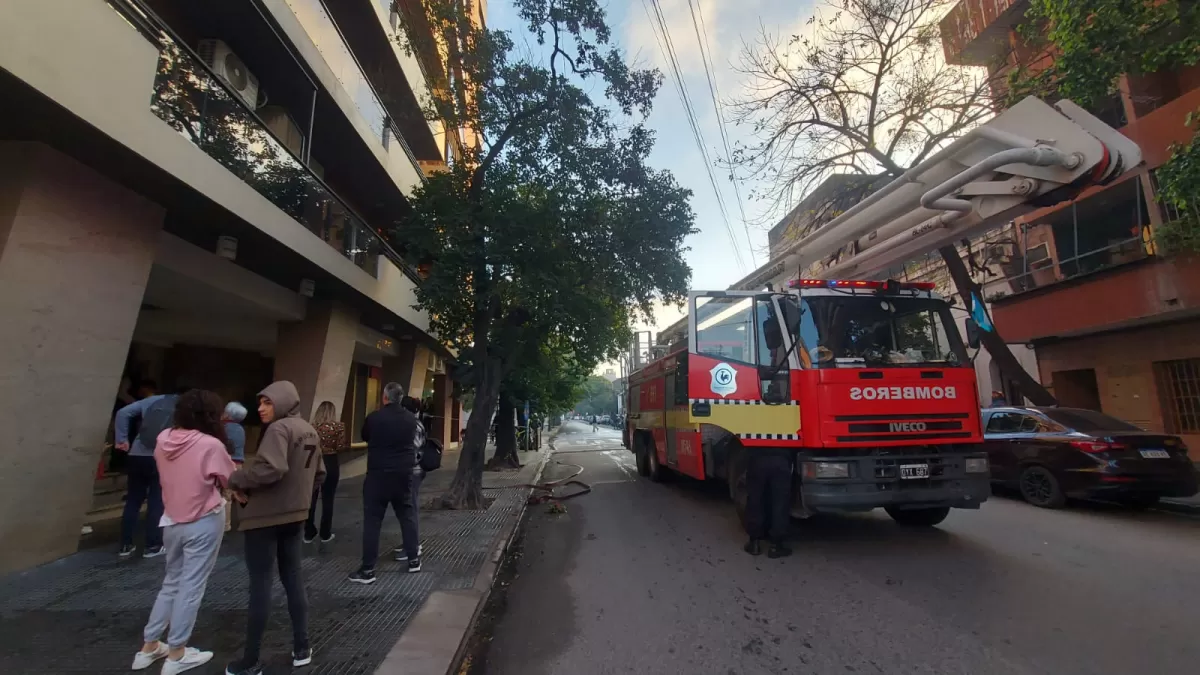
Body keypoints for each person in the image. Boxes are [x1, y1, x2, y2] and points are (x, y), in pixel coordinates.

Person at [132, 389, 235, 675]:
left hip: (171, 520)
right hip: (203, 519)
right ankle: (177, 652)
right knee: (192, 586)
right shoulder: (210, 445)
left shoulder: (163, 439)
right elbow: (230, 478)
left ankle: (149, 645)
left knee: (172, 582)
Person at [224, 381, 324, 675]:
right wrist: (300, 497)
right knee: (293, 579)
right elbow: (319, 474)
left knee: (261, 584)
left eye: (267, 402)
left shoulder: (279, 430)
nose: (261, 408)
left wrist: (237, 479)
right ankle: (302, 647)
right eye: (260, 403)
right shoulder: (309, 429)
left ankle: (251, 659)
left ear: (281, 402)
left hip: (265, 519)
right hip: (295, 517)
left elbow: (272, 468)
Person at [350, 382, 422, 583]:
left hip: (378, 475)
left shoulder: (374, 418)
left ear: (385, 397)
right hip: (403, 474)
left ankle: (368, 570)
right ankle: (414, 560)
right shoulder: (411, 420)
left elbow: (365, 436)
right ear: (400, 398)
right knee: (407, 516)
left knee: (373, 522)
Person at [113, 382, 187, 558]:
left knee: (133, 500)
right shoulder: (185, 408)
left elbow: (123, 412)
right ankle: (152, 546)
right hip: (162, 457)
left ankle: (125, 544)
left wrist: (122, 439)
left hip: (137, 454)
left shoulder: (153, 400)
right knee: (156, 500)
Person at [304, 401, 345, 544]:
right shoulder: (338, 426)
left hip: (314, 462)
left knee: (311, 498)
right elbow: (340, 446)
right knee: (328, 498)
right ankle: (325, 533)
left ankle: (308, 532)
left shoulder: (310, 427)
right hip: (331, 461)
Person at [393, 396, 427, 563]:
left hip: (412, 472)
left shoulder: (412, 425)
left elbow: (412, 452)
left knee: (409, 509)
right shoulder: (414, 423)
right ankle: (409, 542)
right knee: (407, 509)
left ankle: (412, 547)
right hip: (412, 471)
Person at [743, 448, 794, 559]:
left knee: (755, 498)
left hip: (757, 458)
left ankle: (754, 543)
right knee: (780, 502)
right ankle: (776, 546)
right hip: (781, 458)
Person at [221, 402, 248, 532]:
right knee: (235, 494)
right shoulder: (240, 429)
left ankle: (225, 525)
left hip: (228, 464)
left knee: (226, 496)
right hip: (239, 465)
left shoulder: (224, 428)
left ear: (228, 414)